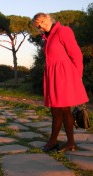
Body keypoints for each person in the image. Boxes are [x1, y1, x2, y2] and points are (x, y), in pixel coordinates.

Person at [32, 13, 89, 153]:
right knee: (56, 110)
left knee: (63, 109)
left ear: (49, 19)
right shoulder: (47, 37)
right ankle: (56, 141)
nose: (41, 27)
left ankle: (67, 142)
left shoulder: (63, 31)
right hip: (53, 77)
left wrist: (78, 75)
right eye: (38, 25)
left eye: (43, 22)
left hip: (65, 75)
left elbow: (76, 54)